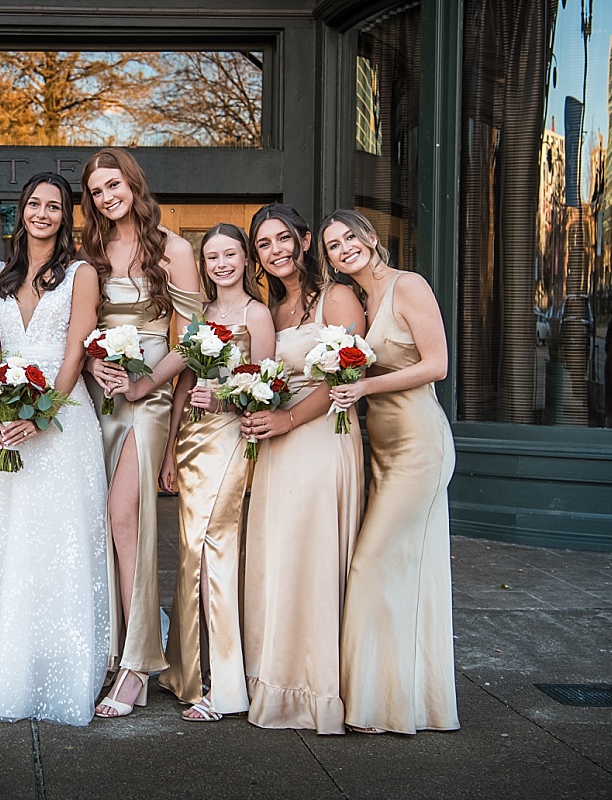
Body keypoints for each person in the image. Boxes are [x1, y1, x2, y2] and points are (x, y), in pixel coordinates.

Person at [0, 173, 110, 727]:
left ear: (67, 215)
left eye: (55, 206)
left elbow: (74, 352)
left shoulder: (81, 274)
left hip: (61, 425)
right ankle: (5, 669)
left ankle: (61, 673)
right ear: (20, 212)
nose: (43, 213)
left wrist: (41, 418)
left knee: (58, 545)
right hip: (5, 425)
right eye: (34, 204)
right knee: (5, 545)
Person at [319, 209, 460, 734]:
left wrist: (365, 387)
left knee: (371, 563)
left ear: (371, 237)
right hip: (379, 446)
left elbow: (437, 364)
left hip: (419, 443)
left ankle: (374, 704)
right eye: (333, 246)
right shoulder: (358, 303)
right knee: (406, 572)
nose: (343, 248)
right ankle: (408, 698)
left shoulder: (409, 285)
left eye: (349, 237)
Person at [79, 148, 202, 717]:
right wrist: (90, 366)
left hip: (146, 401)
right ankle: (117, 643)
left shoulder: (174, 249)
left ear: (133, 183)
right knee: (102, 524)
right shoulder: (91, 252)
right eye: (97, 190)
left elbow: (193, 341)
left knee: (125, 518)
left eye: (114, 184)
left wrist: (146, 383)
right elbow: (77, 328)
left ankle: (136, 665)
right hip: (100, 400)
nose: (108, 197)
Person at [238, 203, 365, 735]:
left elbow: (347, 380)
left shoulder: (336, 297)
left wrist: (287, 418)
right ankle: (274, 678)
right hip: (278, 441)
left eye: (283, 239)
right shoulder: (277, 307)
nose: (275, 251)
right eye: (264, 245)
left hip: (321, 437)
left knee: (312, 561)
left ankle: (313, 692)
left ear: (305, 240)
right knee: (276, 559)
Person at [158, 223, 275, 722]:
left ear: (247, 260)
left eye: (230, 254)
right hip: (191, 442)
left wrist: (225, 398)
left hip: (229, 443)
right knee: (189, 555)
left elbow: (267, 387)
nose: (221, 264)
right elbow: (184, 386)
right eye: (212, 257)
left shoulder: (258, 315)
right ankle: (186, 672)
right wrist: (168, 451)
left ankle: (225, 687)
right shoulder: (199, 315)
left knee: (216, 556)